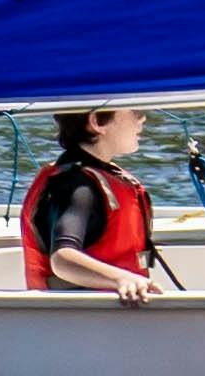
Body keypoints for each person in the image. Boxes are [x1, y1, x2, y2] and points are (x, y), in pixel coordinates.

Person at [22, 106, 162, 295]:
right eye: (135, 112)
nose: (143, 119)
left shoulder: (96, 176)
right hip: (83, 318)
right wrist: (121, 278)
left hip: (113, 316)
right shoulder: (78, 186)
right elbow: (62, 259)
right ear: (97, 122)